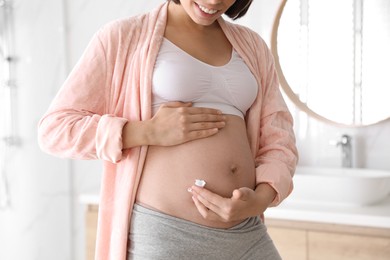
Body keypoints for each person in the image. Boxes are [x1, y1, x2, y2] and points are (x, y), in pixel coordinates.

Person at [38, 0, 298, 259]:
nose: (214, 1)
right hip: (166, 236)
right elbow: (55, 129)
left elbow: (279, 138)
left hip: (246, 234)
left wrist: (260, 199)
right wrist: (147, 131)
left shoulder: (253, 47)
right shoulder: (123, 37)